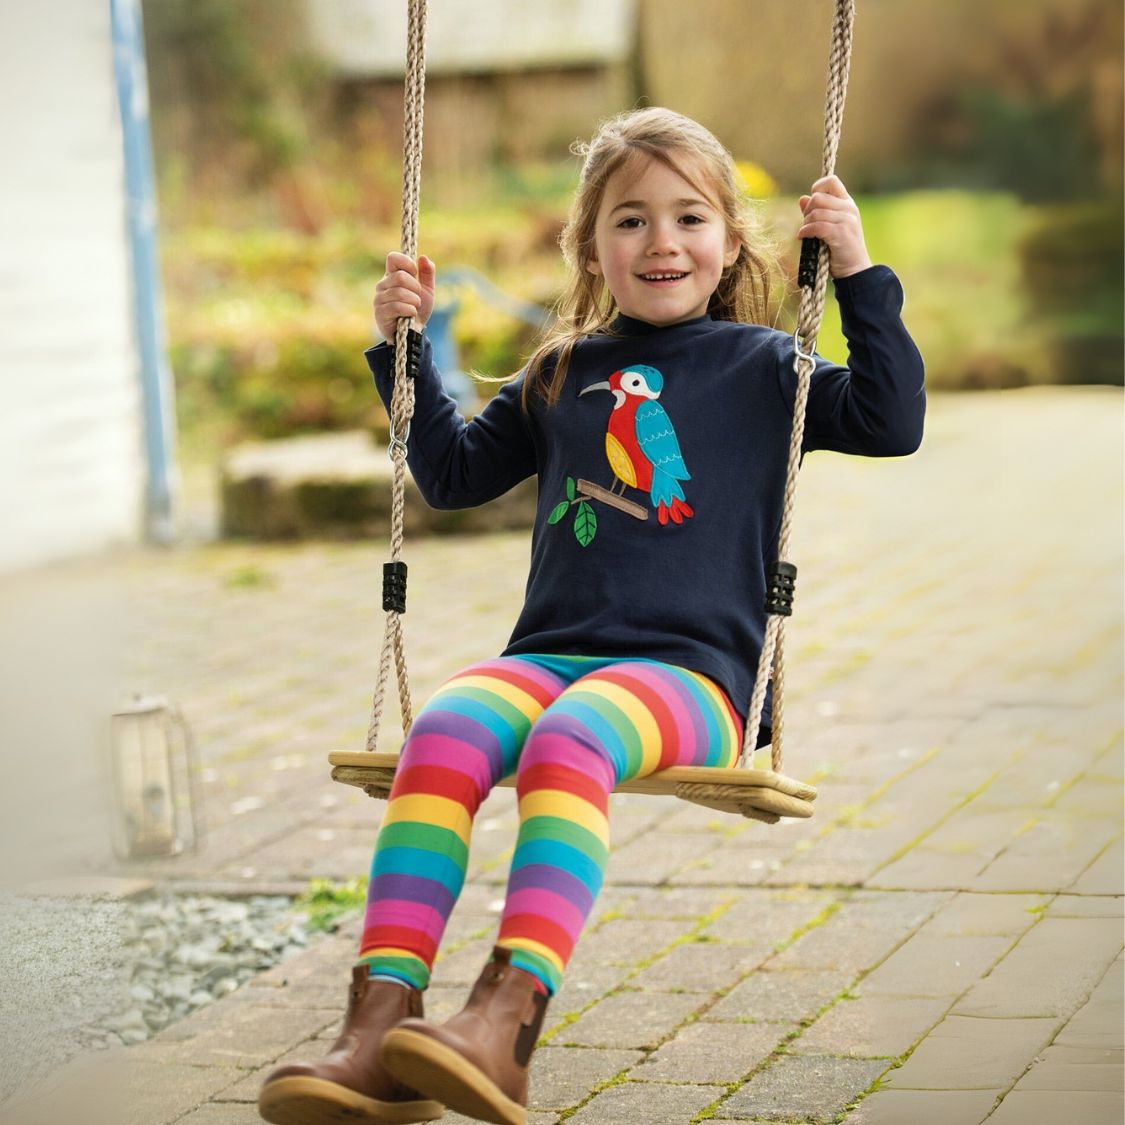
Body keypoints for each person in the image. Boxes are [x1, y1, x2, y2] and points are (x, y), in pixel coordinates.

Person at [258, 106, 925, 1125]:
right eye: (630, 221)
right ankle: (378, 1027)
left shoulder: (765, 370)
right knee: (444, 726)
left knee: (573, 741)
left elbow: (892, 419)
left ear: (731, 240)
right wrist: (401, 352)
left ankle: (504, 1024)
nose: (661, 241)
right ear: (589, 245)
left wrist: (860, 274)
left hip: (690, 682)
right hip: (551, 656)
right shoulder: (561, 374)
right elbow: (448, 475)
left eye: (689, 217)